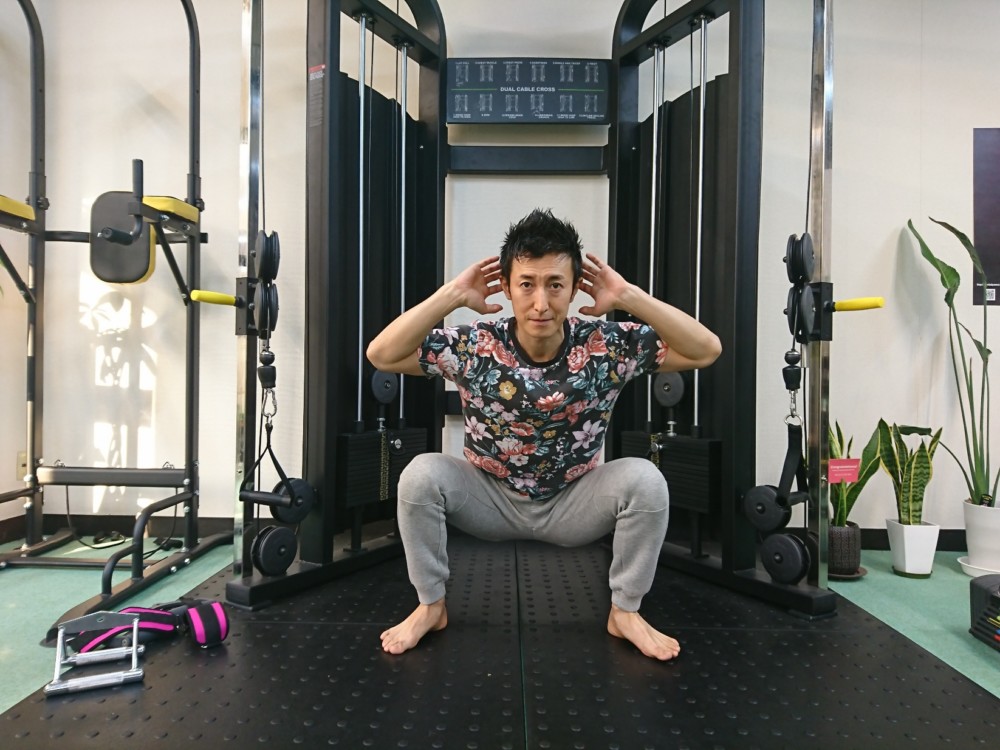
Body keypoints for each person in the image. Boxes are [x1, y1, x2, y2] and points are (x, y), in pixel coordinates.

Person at [366, 208, 721, 661]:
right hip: (488, 499)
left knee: (646, 481)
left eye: (555, 285)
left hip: (574, 504)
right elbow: (381, 354)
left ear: (574, 289)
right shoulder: (476, 344)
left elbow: (706, 350)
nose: (540, 303)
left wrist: (628, 296)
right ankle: (430, 606)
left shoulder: (605, 345)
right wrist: (451, 295)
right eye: (527, 284)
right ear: (507, 287)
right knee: (420, 475)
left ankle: (625, 612)